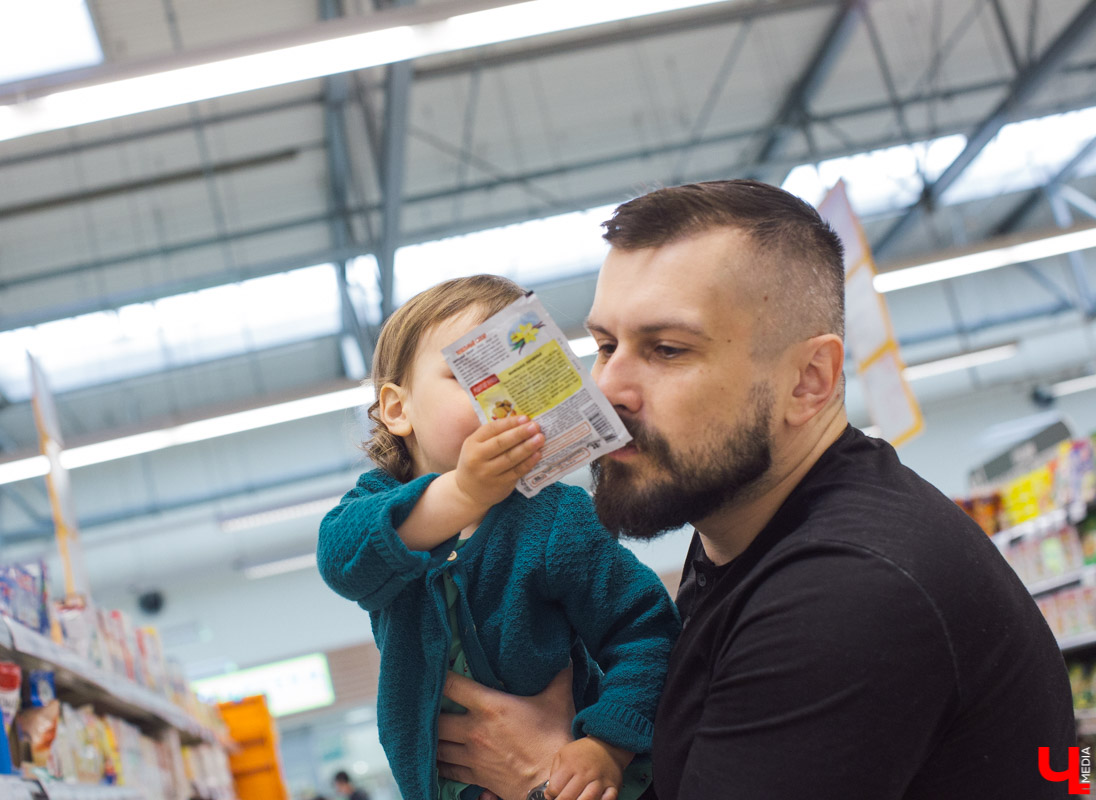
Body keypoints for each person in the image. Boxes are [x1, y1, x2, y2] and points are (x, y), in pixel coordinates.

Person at [435, 180, 1077, 800]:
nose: (608, 388)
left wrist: (539, 778)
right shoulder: (744, 532)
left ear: (809, 381)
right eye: (605, 345)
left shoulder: (844, 594)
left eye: (667, 349)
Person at [318, 275, 681, 800]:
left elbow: (646, 630)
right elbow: (342, 560)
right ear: (398, 409)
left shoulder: (557, 516)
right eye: (470, 377)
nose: (502, 402)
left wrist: (607, 744)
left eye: (522, 377)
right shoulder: (376, 506)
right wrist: (464, 493)